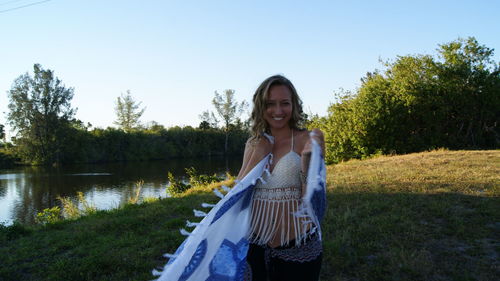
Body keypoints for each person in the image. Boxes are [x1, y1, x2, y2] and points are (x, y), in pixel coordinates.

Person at [236, 75, 325, 281]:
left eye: (285, 103)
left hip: (297, 246)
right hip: (254, 245)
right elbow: (237, 197)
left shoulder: (309, 139)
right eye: (270, 104)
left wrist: (307, 160)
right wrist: (258, 154)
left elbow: (314, 204)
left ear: (294, 105)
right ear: (261, 106)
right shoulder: (253, 143)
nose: (278, 111)